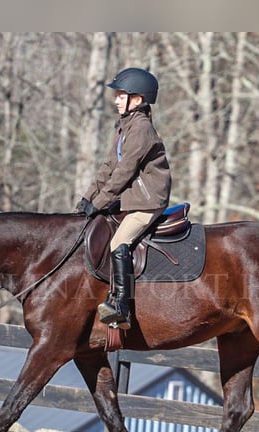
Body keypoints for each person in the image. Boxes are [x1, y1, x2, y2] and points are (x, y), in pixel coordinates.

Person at [76, 67, 172, 330]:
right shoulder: (124, 127)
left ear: (137, 100)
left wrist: (100, 202)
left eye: (121, 95)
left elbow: (124, 173)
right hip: (131, 198)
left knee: (120, 241)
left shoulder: (141, 129)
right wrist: (87, 198)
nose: (116, 100)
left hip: (148, 201)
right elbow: (108, 166)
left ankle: (122, 306)